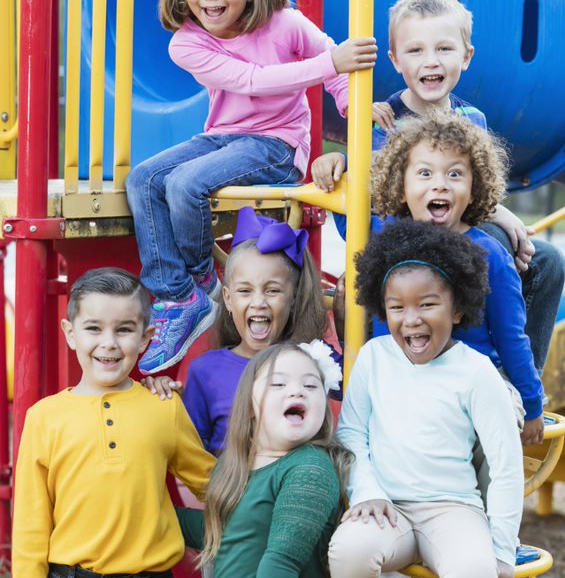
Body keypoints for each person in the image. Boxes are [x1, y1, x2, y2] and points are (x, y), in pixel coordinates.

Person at [125, 0, 377, 376]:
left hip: (277, 144)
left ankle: (201, 280)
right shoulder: (186, 42)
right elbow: (252, 80)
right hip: (221, 138)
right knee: (143, 180)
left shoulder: (285, 23)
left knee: (183, 184)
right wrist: (332, 63)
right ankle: (180, 296)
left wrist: (351, 105)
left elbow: (335, 63)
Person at [311, 0, 564, 372]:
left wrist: (501, 214)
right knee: (485, 249)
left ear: (466, 56)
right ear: (396, 61)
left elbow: (475, 193)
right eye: (416, 50)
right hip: (402, 244)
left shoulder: (471, 119)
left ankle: (517, 380)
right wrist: (337, 162)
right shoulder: (381, 119)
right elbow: (368, 181)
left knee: (545, 260)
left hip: (457, 233)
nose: (431, 61)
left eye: (444, 48)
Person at [329, 219, 524, 578]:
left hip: (453, 509)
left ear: (457, 308)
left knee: (477, 577)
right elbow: (350, 433)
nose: (411, 319)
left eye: (427, 304)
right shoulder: (374, 357)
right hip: (387, 506)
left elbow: (506, 465)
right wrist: (366, 491)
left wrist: (504, 549)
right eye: (397, 307)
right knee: (348, 550)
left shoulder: (477, 372)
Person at [12, 268, 216, 578]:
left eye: (124, 329)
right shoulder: (44, 417)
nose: (108, 343)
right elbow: (30, 520)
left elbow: (212, 482)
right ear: (70, 334)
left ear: (146, 338)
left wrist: (273, 476)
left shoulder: (163, 406)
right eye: (93, 328)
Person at [366, 113, 546, 447]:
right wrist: (335, 160)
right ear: (400, 186)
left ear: (474, 188)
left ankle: (483, 496)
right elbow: (341, 201)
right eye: (424, 173)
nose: (440, 183)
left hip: (476, 387)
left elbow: (511, 337)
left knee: (488, 419)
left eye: (454, 173)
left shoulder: (489, 254)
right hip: (406, 382)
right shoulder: (387, 242)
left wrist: (533, 404)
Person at [174, 341, 349, 578]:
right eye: (278, 384)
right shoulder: (233, 466)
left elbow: (283, 559)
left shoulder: (310, 468)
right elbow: (226, 534)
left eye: (311, 385)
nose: (296, 391)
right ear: (250, 405)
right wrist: (155, 513)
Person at [143, 205, 340, 455]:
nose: (258, 302)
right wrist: (159, 397)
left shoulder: (312, 362)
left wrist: (344, 326)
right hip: (230, 492)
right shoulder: (205, 371)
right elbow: (192, 458)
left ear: (293, 297)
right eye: (245, 291)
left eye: (272, 290)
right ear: (227, 299)